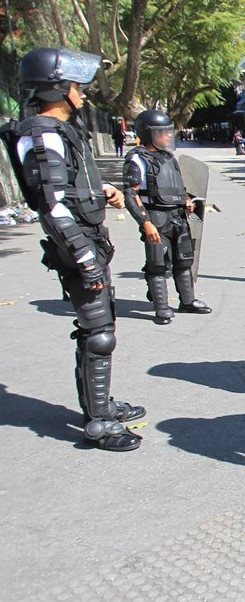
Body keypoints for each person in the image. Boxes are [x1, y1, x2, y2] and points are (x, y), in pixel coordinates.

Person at [5, 47, 144, 451]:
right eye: (76, 87)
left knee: (100, 328)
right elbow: (52, 206)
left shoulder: (60, 132)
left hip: (88, 240)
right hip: (78, 246)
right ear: (58, 88)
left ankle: (100, 405)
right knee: (98, 333)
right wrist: (86, 262)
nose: (81, 94)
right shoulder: (42, 133)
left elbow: (67, 189)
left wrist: (102, 192)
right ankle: (98, 422)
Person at [123, 110, 212, 325]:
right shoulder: (137, 158)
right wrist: (145, 223)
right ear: (148, 133)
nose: (168, 136)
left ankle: (187, 301)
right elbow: (130, 194)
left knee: (184, 262)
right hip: (156, 218)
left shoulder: (169, 158)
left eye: (168, 131)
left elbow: (177, 187)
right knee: (158, 265)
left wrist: (187, 201)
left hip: (178, 217)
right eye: (162, 132)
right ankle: (161, 308)